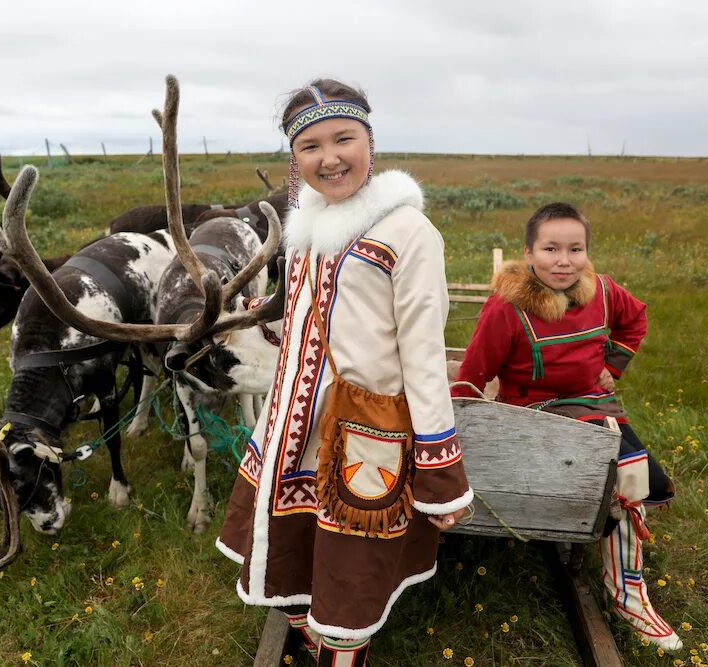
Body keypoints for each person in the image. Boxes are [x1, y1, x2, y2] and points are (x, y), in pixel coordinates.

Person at [216, 79, 473, 666]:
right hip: (292, 423)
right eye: (310, 146)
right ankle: (307, 627)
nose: (329, 158)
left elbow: (425, 354)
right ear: (295, 157)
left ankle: (340, 654)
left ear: (369, 141)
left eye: (343, 139)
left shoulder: (408, 232)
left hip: (363, 429)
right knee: (296, 551)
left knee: (351, 572)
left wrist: (440, 468)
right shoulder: (306, 228)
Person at [451, 202, 681, 651]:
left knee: (636, 478)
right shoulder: (507, 308)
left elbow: (636, 318)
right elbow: (474, 372)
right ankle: (623, 582)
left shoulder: (604, 292)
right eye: (551, 248)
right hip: (532, 413)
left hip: (593, 403)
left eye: (575, 249)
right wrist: (459, 437)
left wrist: (614, 364)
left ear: (586, 252)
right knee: (620, 474)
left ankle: (627, 596)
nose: (563, 260)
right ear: (529, 252)